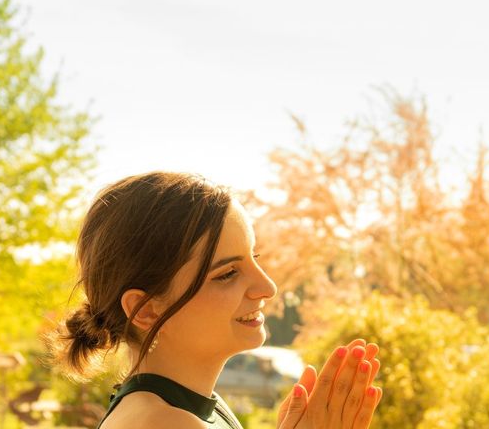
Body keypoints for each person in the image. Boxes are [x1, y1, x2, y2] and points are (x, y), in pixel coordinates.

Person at [45, 171, 383, 428]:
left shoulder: (191, 408)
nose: (267, 287)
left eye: (255, 257)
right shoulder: (161, 422)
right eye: (227, 274)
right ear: (145, 310)